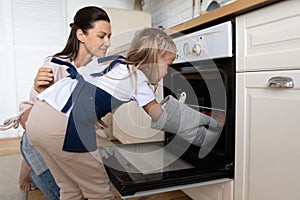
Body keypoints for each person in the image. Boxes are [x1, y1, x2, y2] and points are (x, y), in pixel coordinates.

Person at [26, 27, 219, 199]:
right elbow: (162, 117)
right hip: (64, 127)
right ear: (155, 57)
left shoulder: (118, 64)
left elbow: (92, 87)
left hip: (38, 118)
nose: (167, 72)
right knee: (99, 191)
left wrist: (93, 114)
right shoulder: (138, 79)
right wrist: (203, 135)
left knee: (69, 188)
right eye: (167, 65)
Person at [0, 6, 112, 199]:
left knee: (84, 186)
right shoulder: (54, 65)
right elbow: (30, 120)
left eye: (109, 36)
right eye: (102, 36)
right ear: (81, 35)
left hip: (66, 139)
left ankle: (31, 167)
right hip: (38, 140)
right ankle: (29, 167)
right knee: (59, 193)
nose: (107, 42)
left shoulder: (93, 71)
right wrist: (40, 91)